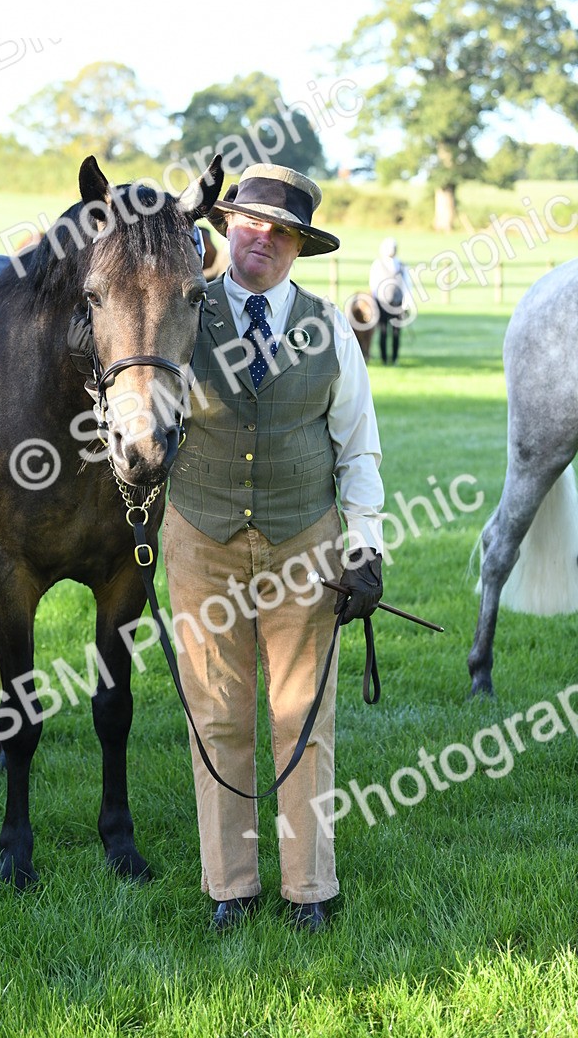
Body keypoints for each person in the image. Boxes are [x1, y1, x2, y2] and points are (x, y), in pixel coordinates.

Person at [162, 163, 384, 933]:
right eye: (252, 221)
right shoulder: (181, 313)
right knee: (217, 713)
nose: (264, 237)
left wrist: (365, 546)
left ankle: (309, 888)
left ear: (300, 246)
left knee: (304, 718)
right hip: (201, 537)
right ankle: (230, 885)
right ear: (228, 226)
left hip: (305, 542)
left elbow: (358, 445)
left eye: (282, 230)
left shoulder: (330, 329)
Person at [369, 237, 413, 365]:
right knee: (383, 332)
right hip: (382, 302)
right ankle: (384, 359)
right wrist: (376, 301)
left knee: (396, 333)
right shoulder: (378, 264)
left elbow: (407, 285)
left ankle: (394, 358)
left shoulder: (402, 265)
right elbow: (373, 284)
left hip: (397, 303)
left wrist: (406, 302)